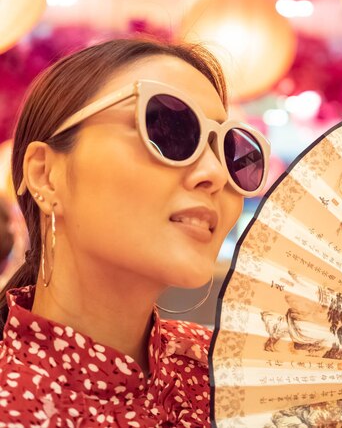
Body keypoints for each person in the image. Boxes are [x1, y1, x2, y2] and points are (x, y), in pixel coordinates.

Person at [0, 37, 270, 426]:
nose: (214, 173)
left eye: (233, 153)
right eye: (169, 129)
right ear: (46, 174)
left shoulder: (233, 377)